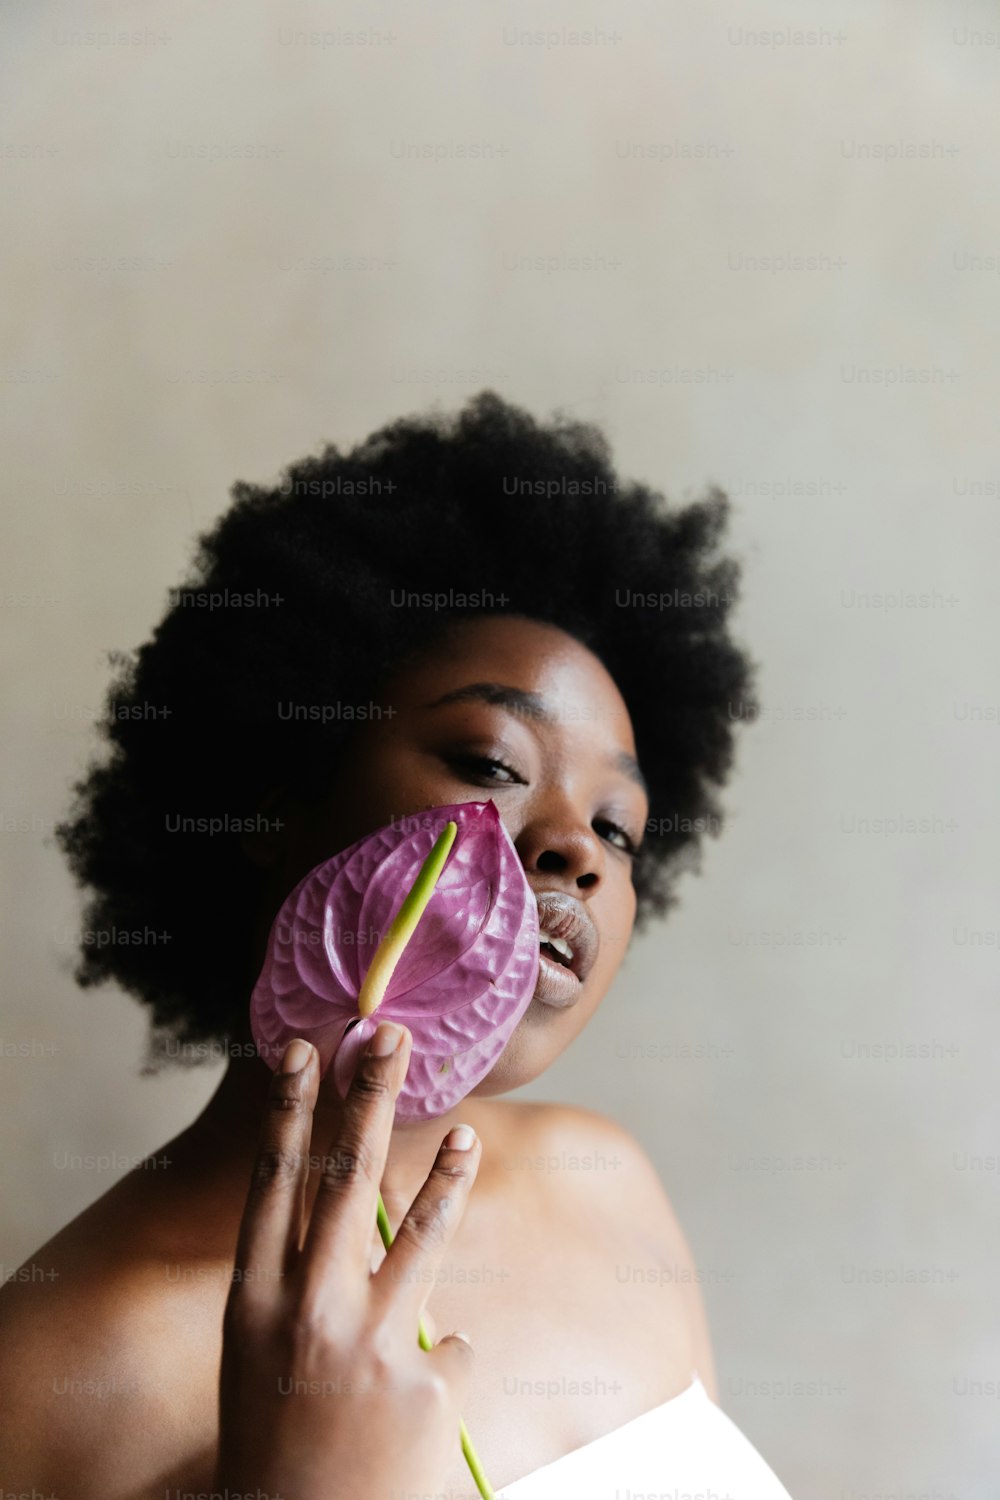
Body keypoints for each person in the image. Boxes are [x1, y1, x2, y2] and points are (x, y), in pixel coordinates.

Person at [0, 391, 790, 1496]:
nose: (578, 850)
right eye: (492, 764)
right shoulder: (54, 1370)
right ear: (278, 809)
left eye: (619, 828)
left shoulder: (606, 1192)